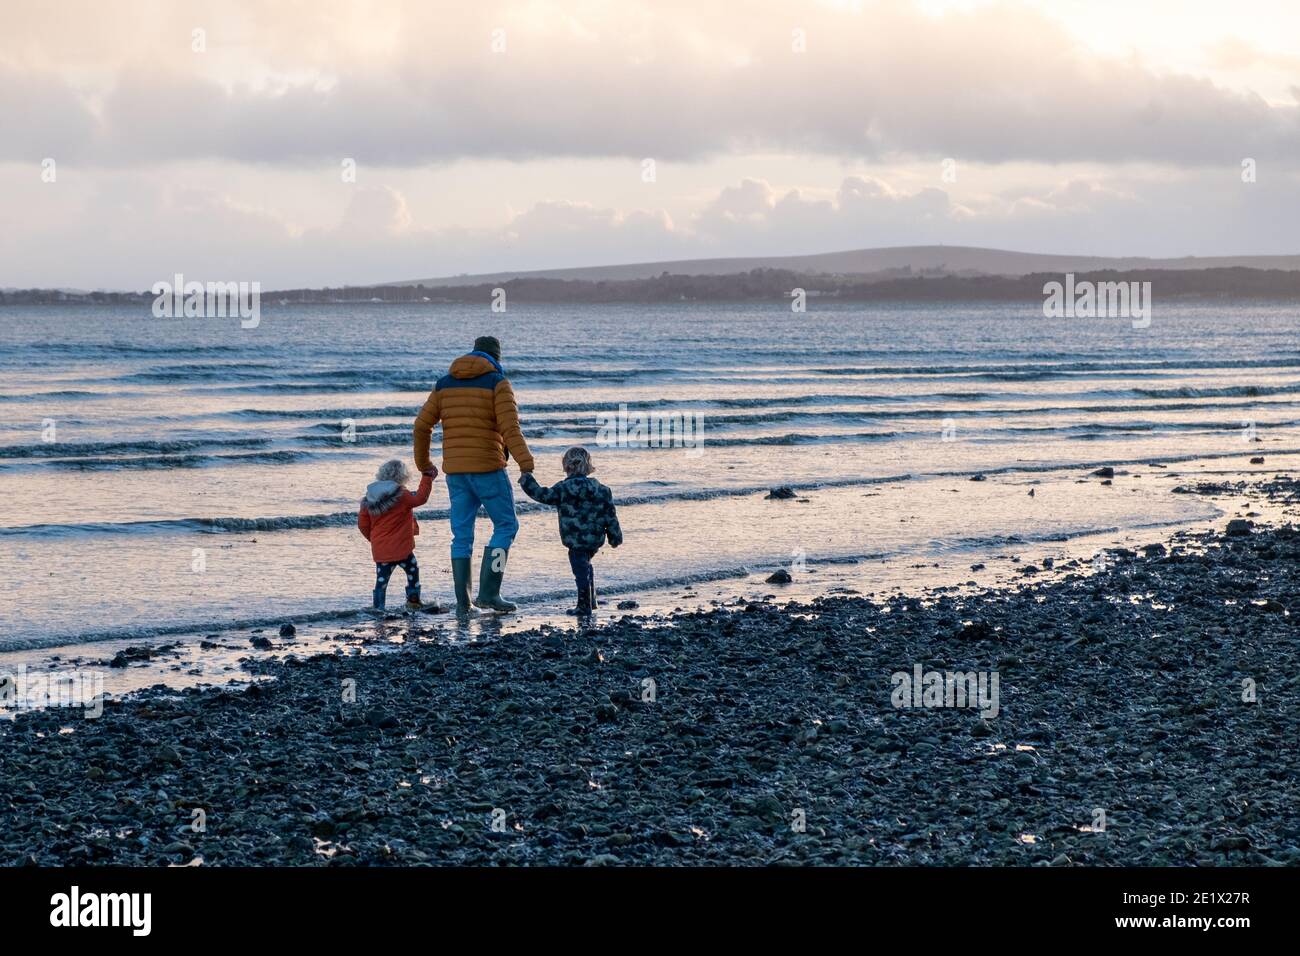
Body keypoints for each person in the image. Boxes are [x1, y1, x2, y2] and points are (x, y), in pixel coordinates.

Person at [414, 335, 534, 617]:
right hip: (488, 468)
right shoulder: (497, 382)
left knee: (461, 535)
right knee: (506, 526)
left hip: (456, 473)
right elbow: (510, 429)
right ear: (496, 358)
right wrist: (526, 463)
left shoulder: (444, 384)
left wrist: (424, 464)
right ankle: (489, 593)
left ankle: (463, 604)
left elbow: (421, 426)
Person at [519, 446, 622, 617]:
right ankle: (591, 600)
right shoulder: (602, 489)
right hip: (595, 538)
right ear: (588, 466)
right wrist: (615, 537)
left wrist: (526, 479)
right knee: (586, 565)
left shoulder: (563, 488)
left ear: (567, 466)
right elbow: (610, 515)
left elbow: (542, 495)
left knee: (580, 568)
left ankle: (584, 606)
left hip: (575, 539)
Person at [357, 458, 437, 612]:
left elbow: (363, 524)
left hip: (381, 549)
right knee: (412, 570)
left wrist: (373, 539)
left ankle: (378, 607)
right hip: (402, 549)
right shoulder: (402, 495)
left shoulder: (368, 499)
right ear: (402, 476)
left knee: (381, 580)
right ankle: (413, 601)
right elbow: (421, 498)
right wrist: (427, 477)